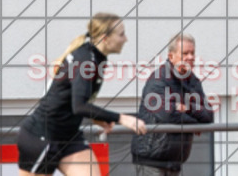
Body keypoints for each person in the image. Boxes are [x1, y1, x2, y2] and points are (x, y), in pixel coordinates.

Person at [17, 13, 147, 176]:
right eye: (121, 34)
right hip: (42, 137)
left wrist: (97, 117)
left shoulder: (98, 58)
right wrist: (122, 118)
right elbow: (79, 106)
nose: (125, 39)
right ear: (105, 38)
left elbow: (72, 99)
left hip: (69, 137)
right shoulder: (86, 60)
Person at [131, 33, 215, 175]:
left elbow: (208, 115)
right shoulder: (158, 80)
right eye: (185, 53)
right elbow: (167, 115)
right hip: (151, 162)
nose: (190, 57)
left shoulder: (193, 81)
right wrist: (195, 124)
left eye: (192, 53)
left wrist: (186, 108)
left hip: (174, 163)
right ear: (171, 57)